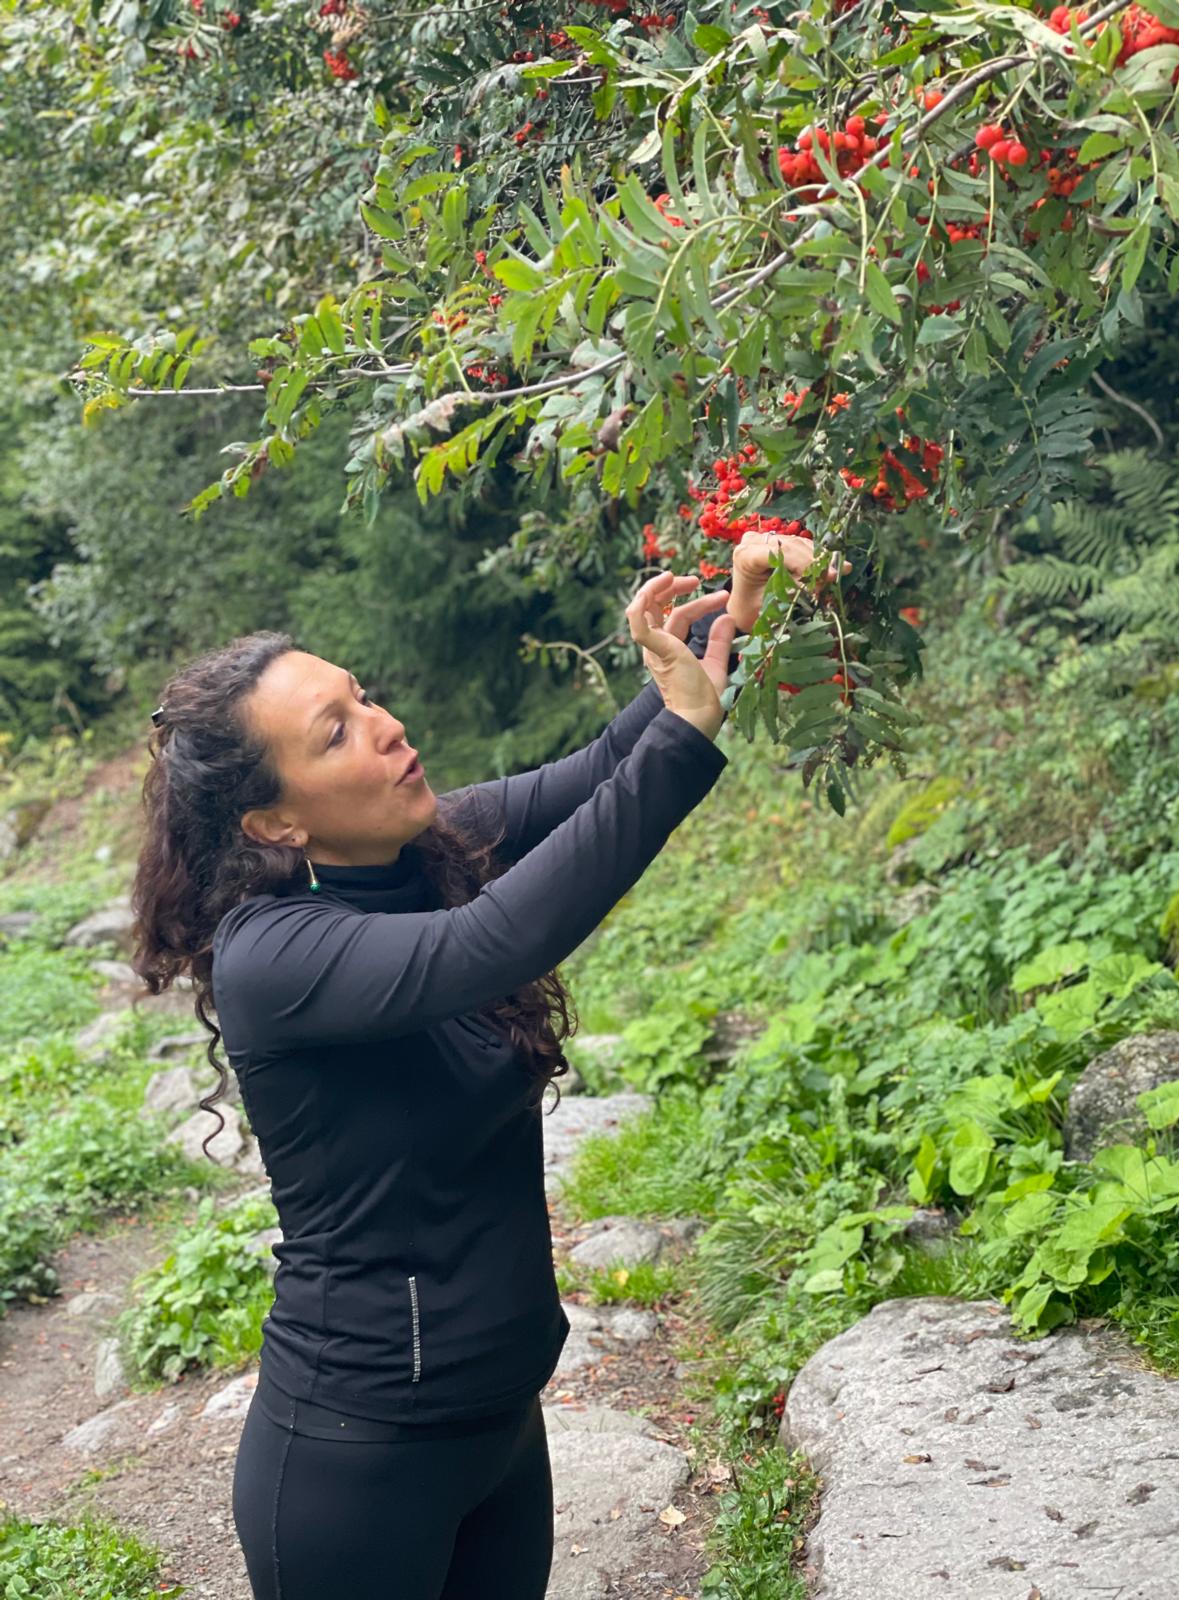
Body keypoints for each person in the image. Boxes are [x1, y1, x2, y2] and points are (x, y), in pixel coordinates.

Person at [129, 564, 753, 1600]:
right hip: (357, 1454)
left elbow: (601, 766)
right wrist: (686, 737)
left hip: (500, 1421)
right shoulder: (273, 956)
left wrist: (716, 639)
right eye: (333, 732)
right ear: (273, 824)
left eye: (362, 695)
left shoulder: (424, 847)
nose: (383, 724)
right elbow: (496, 941)